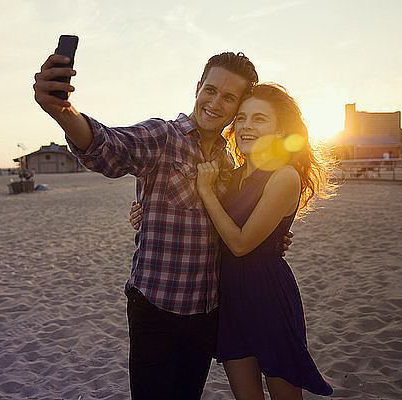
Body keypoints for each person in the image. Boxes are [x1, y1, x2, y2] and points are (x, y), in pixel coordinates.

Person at [33, 51, 292, 399]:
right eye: (210, 90)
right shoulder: (163, 137)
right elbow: (109, 146)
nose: (215, 103)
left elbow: (240, 219)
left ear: (237, 108)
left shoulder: (228, 161)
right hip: (155, 306)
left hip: (207, 311)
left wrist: (273, 240)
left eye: (229, 98)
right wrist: (63, 111)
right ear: (198, 88)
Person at [195, 84, 334, 399]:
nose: (246, 126)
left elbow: (241, 244)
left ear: (281, 130)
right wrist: (141, 213)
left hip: (268, 295)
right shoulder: (231, 175)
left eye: (259, 119)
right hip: (229, 297)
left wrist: (206, 191)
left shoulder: (284, 176)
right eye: (242, 118)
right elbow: (205, 223)